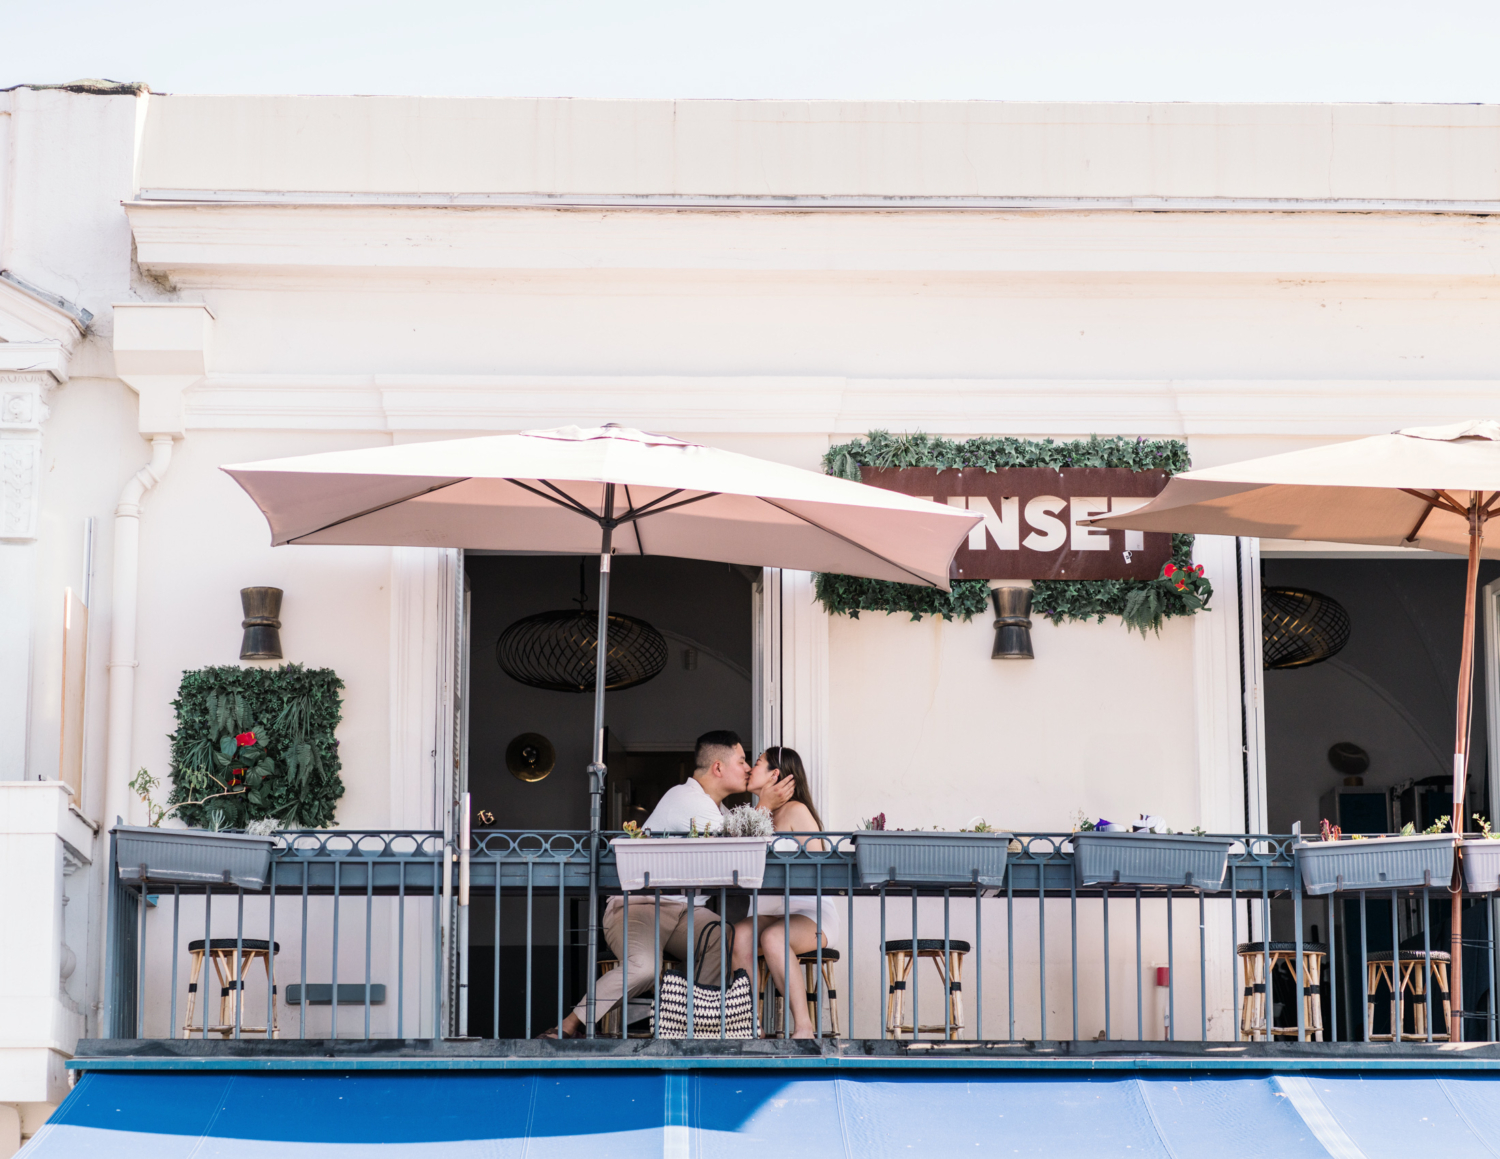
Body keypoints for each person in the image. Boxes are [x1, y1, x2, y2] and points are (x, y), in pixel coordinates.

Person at [540, 729, 792, 1038]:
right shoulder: (685, 798)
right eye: (742, 761)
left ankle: (696, 1023)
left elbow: (744, 845)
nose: (749, 769)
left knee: (722, 935)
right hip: (641, 908)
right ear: (717, 767)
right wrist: (764, 805)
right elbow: (735, 848)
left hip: (685, 913)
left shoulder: (720, 810)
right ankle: (571, 1023)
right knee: (645, 968)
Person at [730, 745, 838, 1039]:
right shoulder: (754, 814)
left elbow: (820, 870)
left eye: (757, 763)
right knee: (739, 935)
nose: (750, 768)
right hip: (768, 912)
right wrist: (763, 805)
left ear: (775, 774)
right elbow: (735, 857)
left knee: (774, 937)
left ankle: (803, 1027)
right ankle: (749, 1025)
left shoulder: (796, 811)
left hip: (808, 913)